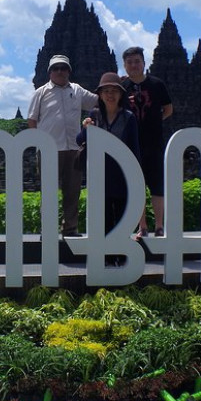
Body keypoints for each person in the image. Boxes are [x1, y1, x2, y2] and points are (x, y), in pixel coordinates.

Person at [27, 55, 98, 236]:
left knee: (73, 191)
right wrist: (39, 144)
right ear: (50, 72)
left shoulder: (77, 90)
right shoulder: (41, 92)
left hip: (74, 148)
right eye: (55, 68)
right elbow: (32, 120)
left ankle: (70, 228)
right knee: (48, 191)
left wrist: (119, 87)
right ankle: (48, 228)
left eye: (63, 68)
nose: (59, 71)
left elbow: (99, 101)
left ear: (69, 71)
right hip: (49, 149)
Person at [78, 72, 140, 266]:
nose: (110, 95)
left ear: (121, 94)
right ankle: (105, 260)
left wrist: (137, 179)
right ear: (100, 94)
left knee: (122, 219)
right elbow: (80, 140)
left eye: (114, 91)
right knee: (102, 220)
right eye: (106, 91)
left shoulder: (128, 118)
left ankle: (122, 259)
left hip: (122, 176)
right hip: (100, 176)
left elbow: (134, 149)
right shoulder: (94, 116)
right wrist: (86, 129)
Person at [121, 46, 173, 240]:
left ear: (144, 63)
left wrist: (155, 122)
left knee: (157, 185)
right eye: (129, 62)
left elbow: (168, 109)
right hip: (131, 143)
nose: (134, 65)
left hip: (154, 142)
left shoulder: (157, 84)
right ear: (125, 65)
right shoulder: (122, 87)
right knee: (137, 185)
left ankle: (159, 226)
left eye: (137, 61)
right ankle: (142, 226)